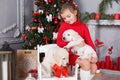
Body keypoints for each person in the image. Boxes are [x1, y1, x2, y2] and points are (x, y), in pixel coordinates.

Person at [56, 2, 98, 80]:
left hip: (83, 52)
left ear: (75, 12)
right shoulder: (64, 26)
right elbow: (59, 42)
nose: (67, 19)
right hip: (70, 54)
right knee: (86, 64)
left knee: (94, 67)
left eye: (68, 16)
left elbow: (89, 42)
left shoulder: (83, 27)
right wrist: (73, 44)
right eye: (64, 18)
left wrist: (94, 55)